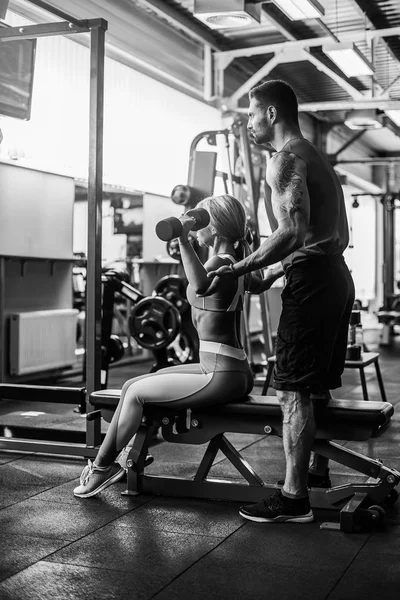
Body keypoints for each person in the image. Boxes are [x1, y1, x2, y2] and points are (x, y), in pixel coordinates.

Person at [207, 80, 355, 524]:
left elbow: (290, 231)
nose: (249, 125)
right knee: (316, 385)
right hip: (332, 277)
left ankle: (293, 499)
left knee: (291, 389)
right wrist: (271, 272)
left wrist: (239, 267)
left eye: (251, 115)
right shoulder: (316, 158)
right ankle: (316, 471)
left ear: (270, 113)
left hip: (313, 285)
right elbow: (321, 238)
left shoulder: (284, 160)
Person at [74, 194, 261, 498]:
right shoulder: (237, 263)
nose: (198, 226)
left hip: (220, 374)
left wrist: (184, 237)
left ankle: (101, 467)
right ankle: (113, 462)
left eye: (203, 219)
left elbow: (199, 285)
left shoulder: (220, 262)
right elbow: (258, 281)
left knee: (134, 393)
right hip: (228, 367)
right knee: (133, 384)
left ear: (215, 228)